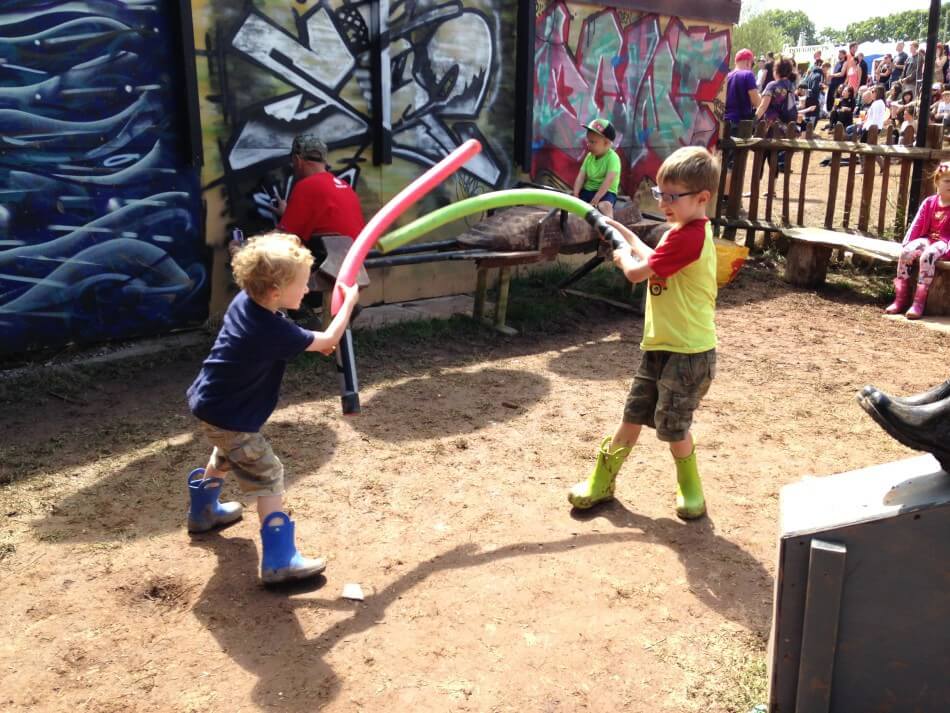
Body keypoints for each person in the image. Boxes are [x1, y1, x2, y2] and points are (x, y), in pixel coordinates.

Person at [186, 232, 361, 584]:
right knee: (267, 473)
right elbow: (328, 338)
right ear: (275, 291)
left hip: (211, 404)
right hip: (229, 415)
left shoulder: (246, 302)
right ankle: (280, 561)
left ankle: (204, 513)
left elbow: (296, 337)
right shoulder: (272, 330)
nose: (308, 289)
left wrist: (313, 343)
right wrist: (348, 303)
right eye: (302, 283)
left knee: (228, 452)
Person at [567, 146, 719, 520]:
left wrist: (620, 256)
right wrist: (618, 230)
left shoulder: (690, 237)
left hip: (688, 352)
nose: (663, 203)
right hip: (661, 344)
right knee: (633, 413)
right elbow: (650, 254)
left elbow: (637, 272)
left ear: (702, 198)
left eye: (672, 197)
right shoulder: (680, 231)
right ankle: (602, 481)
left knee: (673, 426)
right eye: (659, 194)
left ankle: (691, 487)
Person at [885, 162, 950, 319]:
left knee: (928, 255)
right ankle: (901, 298)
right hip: (928, 239)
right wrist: (907, 243)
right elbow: (917, 224)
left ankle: (919, 301)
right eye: (948, 181)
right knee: (907, 252)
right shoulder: (929, 202)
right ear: (937, 182)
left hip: (945, 244)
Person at [275, 135, 366, 244]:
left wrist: (257, 243)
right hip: (357, 253)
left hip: (333, 254)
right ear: (324, 161)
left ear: (297, 160)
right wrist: (288, 214)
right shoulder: (346, 187)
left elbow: (284, 237)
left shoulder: (307, 186)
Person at [572, 118, 621, 218]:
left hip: (605, 192)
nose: (588, 144)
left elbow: (608, 181)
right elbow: (581, 176)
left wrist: (596, 199)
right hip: (588, 190)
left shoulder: (613, 158)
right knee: (573, 205)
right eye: (588, 141)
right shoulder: (589, 157)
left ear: (607, 143)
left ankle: (609, 224)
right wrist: (576, 193)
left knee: (604, 206)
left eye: (593, 142)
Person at [724, 48, 761, 127]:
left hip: (724, 122)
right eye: (752, 64)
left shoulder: (726, 76)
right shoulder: (748, 75)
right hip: (740, 124)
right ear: (748, 62)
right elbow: (756, 102)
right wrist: (760, 96)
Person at [756, 57, 797, 124]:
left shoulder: (772, 85)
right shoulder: (791, 86)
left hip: (772, 125)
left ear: (776, 70)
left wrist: (753, 121)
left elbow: (763, 107)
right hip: (788, 125)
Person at [827, 49, 848, 115]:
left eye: (840, 54)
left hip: (839, 83)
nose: (839, 55)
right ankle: (831, 111)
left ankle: (835, 111)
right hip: (833, 83)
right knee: (830, 97)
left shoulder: (845, 63)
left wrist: (832, 75)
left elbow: (842, 73)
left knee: (837, 98)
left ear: (844, 55)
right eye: (839, 54)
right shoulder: (837, 63)